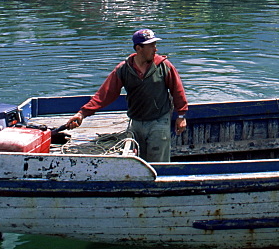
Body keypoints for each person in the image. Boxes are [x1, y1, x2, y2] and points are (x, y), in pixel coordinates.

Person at [66, 29, 188, 162]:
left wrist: (181, 116)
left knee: (159, 163)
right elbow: (105, 94)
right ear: (138, 48)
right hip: (136, 122)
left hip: (159, 121)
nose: (155, 49)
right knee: (138, 162)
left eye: (155, 45)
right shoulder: (123, 69)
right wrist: (82, 113)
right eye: (151, 45)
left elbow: (178, 91)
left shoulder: (164, 66)